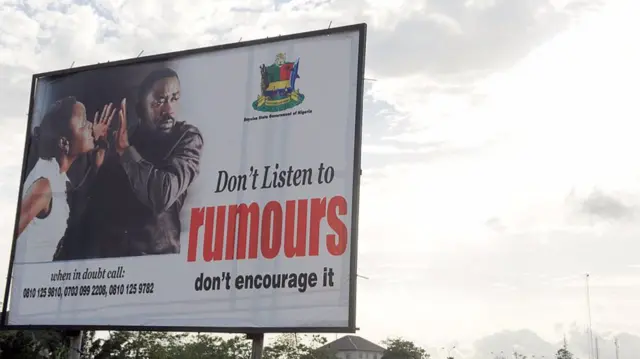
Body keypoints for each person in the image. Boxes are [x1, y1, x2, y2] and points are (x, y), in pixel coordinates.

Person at [76, 68, 204, 259]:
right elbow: (90, 208)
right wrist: (94, 162)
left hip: (154, 263)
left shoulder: (187, 138)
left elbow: (162, 194)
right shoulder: (122, 138)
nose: (169, 110)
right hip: (109, 266)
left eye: (174, 98)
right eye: (159, 101)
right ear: (139, 109)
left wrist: (125, 152)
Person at [15, 96, 115, 263]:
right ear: (63, 142)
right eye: (84, 123)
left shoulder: (57, 176)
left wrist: (96, 163)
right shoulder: (43, 185)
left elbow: (74, 205)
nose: (90, 125)